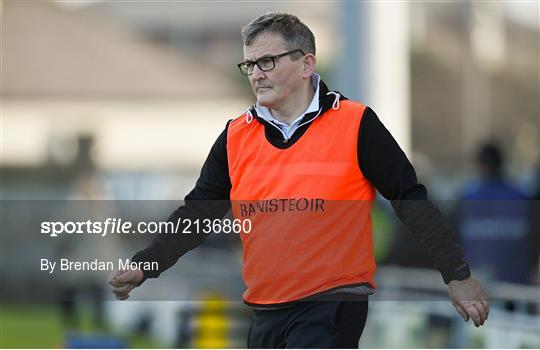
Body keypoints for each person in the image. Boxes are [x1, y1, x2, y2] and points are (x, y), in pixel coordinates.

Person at [108, 12, 489, 348]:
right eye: (250, 64)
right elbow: (200, 211)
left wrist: (457, 274)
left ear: (306, 64)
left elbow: (411, 200)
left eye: (268, 61)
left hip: (334, 303)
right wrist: (147, 264)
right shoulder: (235, 135)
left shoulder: (356, 124)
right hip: (265, 308)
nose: (257, 73)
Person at [458, 142, 534, 285]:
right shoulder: (521, 196)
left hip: (477, 285)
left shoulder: (467, 197)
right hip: (516, 286)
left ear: (481, 166)